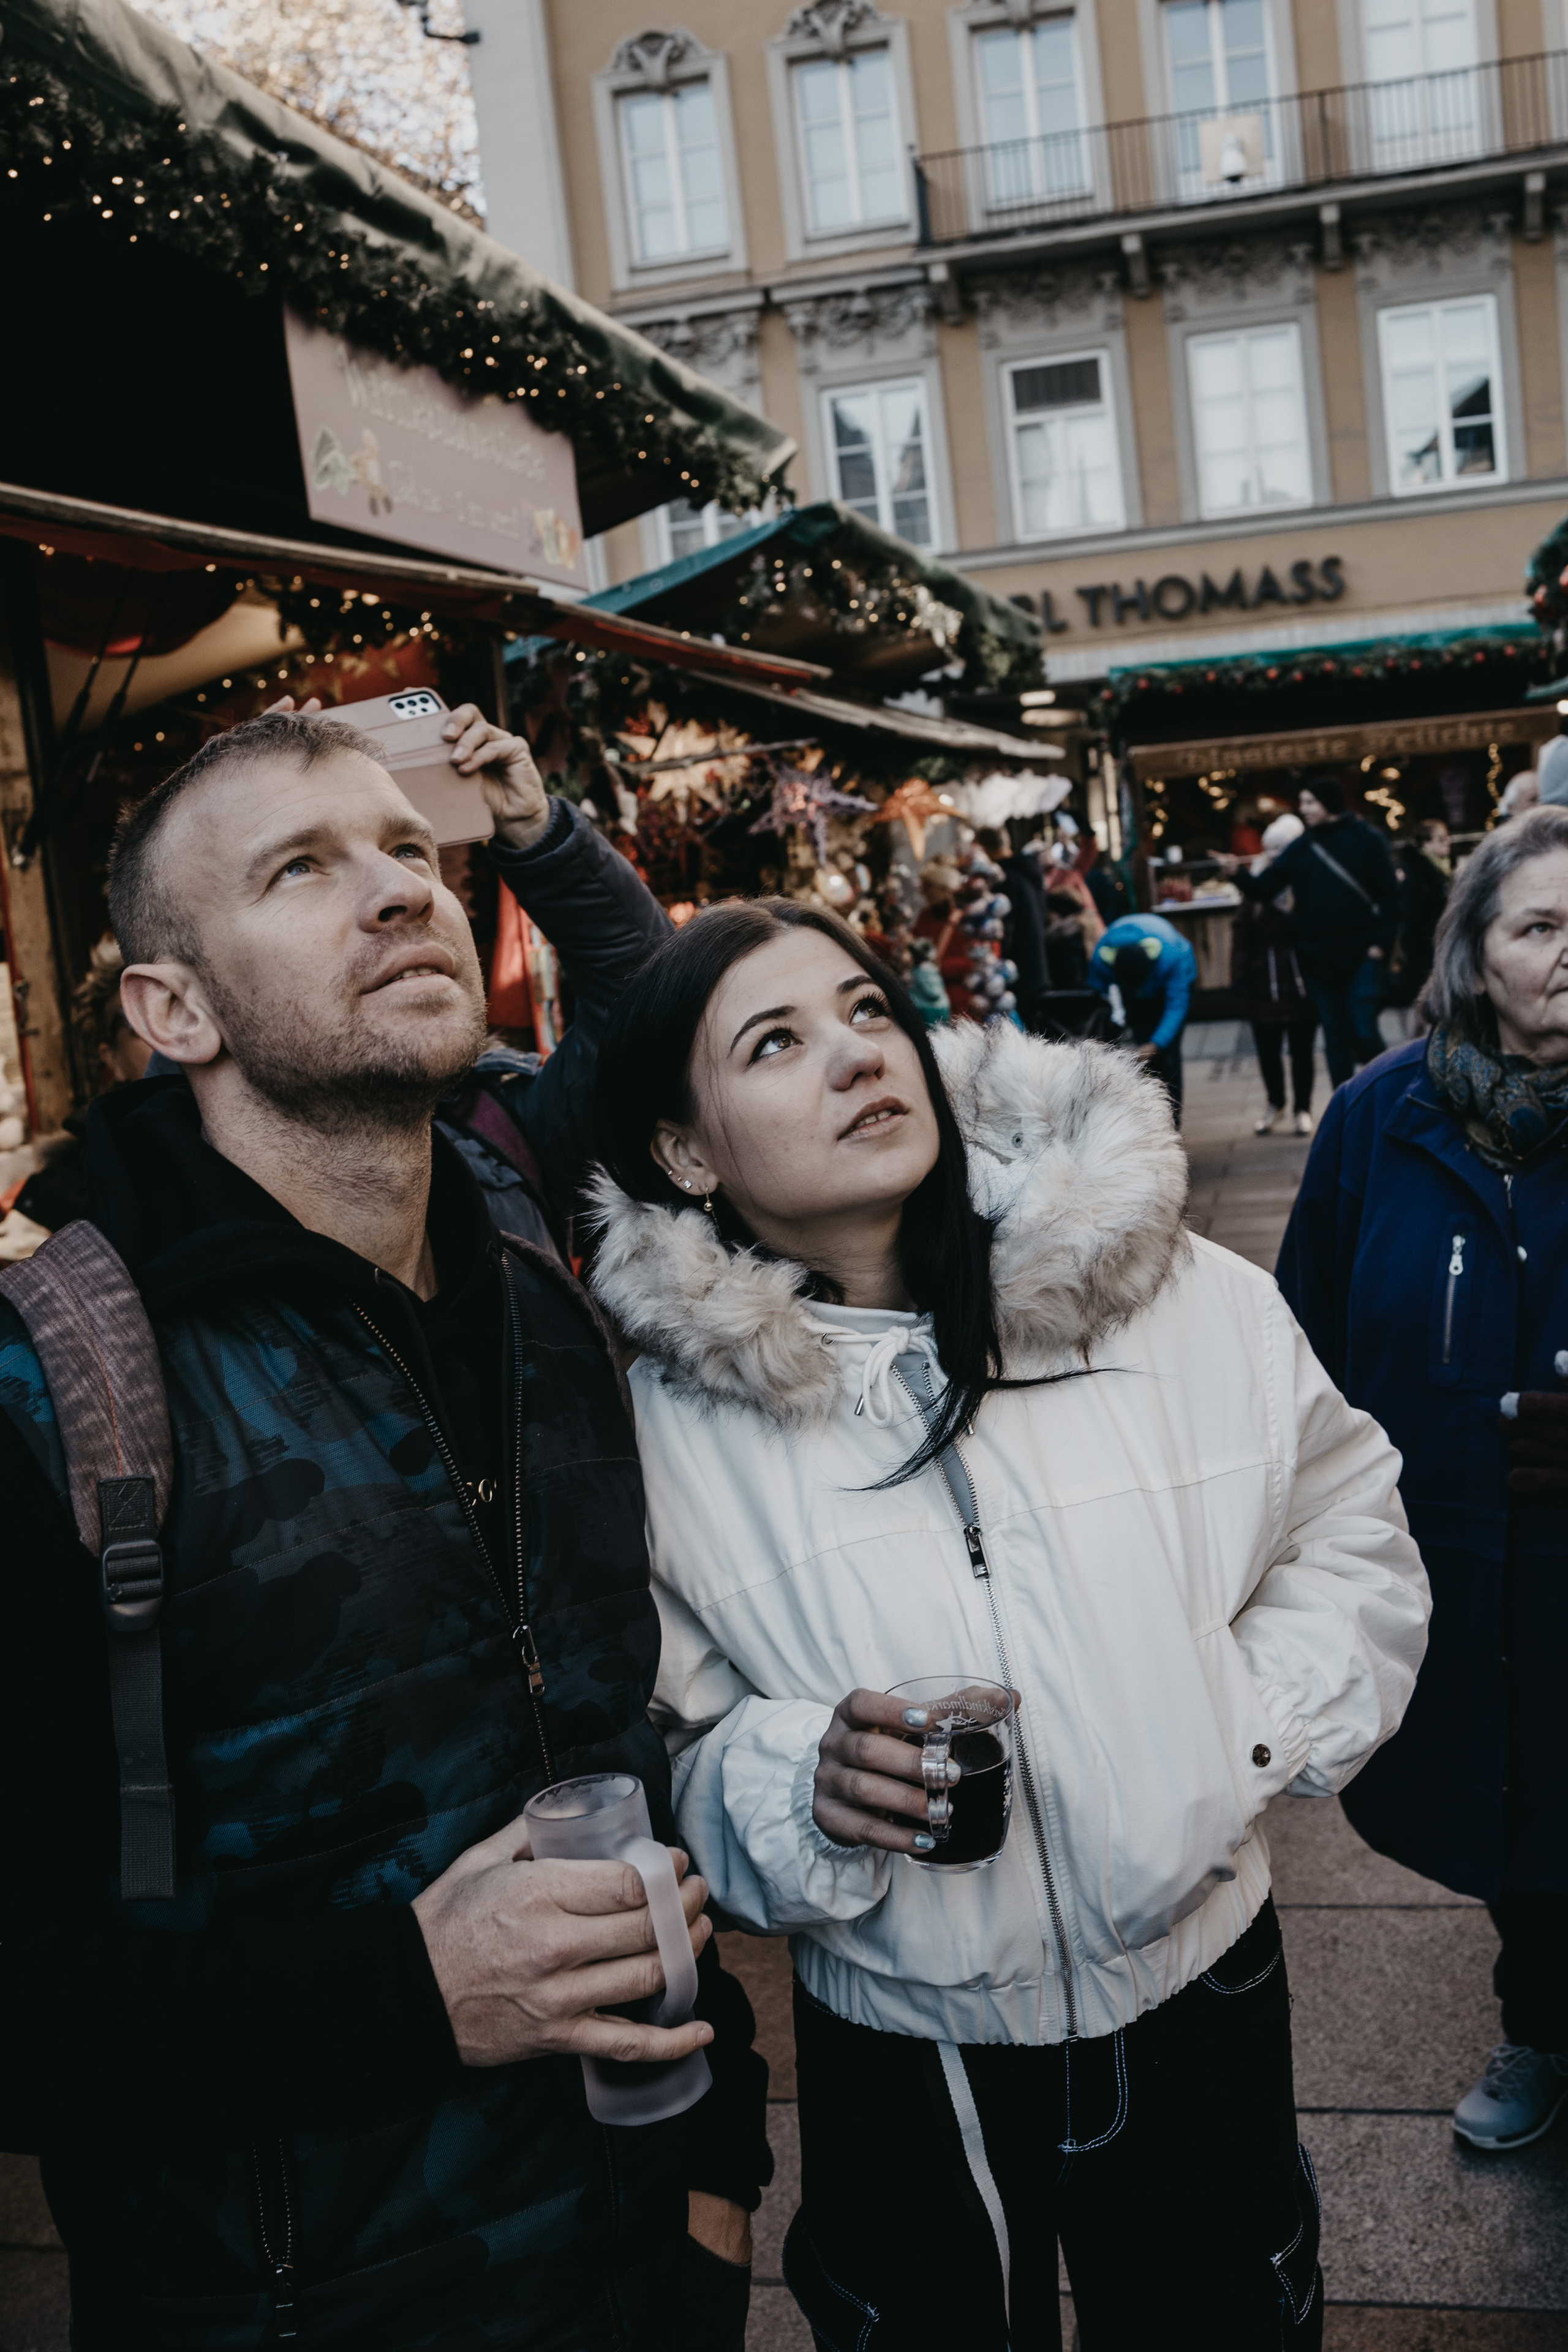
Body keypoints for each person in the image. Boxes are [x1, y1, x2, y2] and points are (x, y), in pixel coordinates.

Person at [0, 708, 769, 2349]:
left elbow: (603, 1728)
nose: (401, 892)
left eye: (408, 850)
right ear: (174, 1007)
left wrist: (720, 2163)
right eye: (302, 867)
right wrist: (411, 1995)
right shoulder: (55, 1392)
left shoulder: (531, 1266)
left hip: (644, 2269)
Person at [587, 900, 1430, 2351]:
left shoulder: (1175, 1295)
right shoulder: (654, 1427)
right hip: (898, 2037)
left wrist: (1235, 1724)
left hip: (1202, 1977)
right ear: (682, 1148)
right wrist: (798, 1781)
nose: (855, 1055)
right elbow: (662, 1735)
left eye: (864, 1008)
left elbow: (1346, 1526)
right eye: (775, 1041)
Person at [1277, 806, 1568, 2154]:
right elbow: (1299, 1352)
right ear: (1472, 953)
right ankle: (1544, 2027)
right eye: (1539, 926)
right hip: (1450, 1552)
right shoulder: (1371, 1119)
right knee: (1515, 1808)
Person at [1217, 777, 1400, 1088]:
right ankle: (1347, 1106)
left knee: (1364, 1030)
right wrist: (1237, 875)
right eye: (1302, 803)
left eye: (1309, 802)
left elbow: (1391, 897)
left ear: (1329, 803)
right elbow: (1265, 888)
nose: (1303, 810)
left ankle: (1391, 1092)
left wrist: (1382, 946)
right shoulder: (1303, 847)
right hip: (1318, 960)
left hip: (1362, 956)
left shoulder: (1367, 840)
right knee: (1334, 1037)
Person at [1232, 812, 1317, 1136]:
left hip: (1301, 981)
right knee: (1268, 1051)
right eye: (1271, 850)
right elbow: (1241, 932)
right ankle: (1276, 1103)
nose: (1274, 857)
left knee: (1302, 1052)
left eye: (1281, 849)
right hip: (1262, 981)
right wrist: (1238, 977)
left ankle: (1303, 1108)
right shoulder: (1255, 888)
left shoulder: (1306, 886)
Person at [1085, 909, 1197, 1120]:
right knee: (1144, 1050)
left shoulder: (1173, 956)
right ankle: (1150, 1115)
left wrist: (1155, 1044)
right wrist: (1098, 1037)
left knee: (1168, 1053)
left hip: (1170, 987)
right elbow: (1095, 999)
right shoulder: (1102, 959)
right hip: (1135, 997)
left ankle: (1173, 1120)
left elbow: (1176, 1007)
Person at [1387, 817, 1451, 1014]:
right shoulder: (1421, 872)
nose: (1447, 842)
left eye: (1446, 838)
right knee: (1425, 1007)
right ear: (1426, 843)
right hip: (1423, 949)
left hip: (1431, 946)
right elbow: (1418, 912)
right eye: (1441, 839)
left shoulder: (1438, 869)